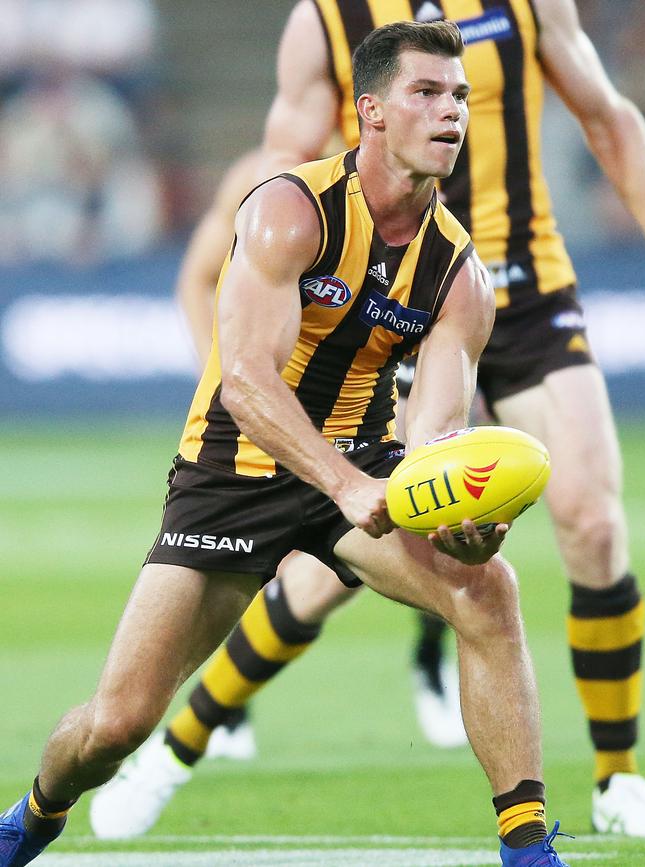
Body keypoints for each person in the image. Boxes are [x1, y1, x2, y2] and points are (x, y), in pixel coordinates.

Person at [0, 22, 573, 867]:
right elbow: (246, 384)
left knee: (487, 589)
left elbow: (434, 432)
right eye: (426, 92)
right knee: (116, 724)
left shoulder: (461, 276)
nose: (450, 111)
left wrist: (458, 511)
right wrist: (345, 484)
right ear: (370, 111)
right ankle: (30, 819)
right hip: (235, 465)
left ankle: (527, 849)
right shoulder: (287, 209)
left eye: (458, 95)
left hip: (358, 460)